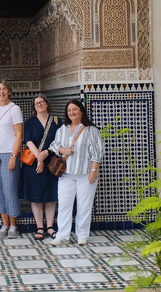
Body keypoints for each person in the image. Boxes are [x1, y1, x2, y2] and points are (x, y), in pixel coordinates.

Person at [48, 99, 103, 246]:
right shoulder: (63, 129)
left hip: (85, 174)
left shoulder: (91, 130)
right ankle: (62, 236)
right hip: (66, 174)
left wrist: (93, 171)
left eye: (75, 109)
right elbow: (54, 145)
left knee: (84, 206)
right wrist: (63, 150)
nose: (72, 112)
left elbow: (97, 152)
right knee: (64, 205)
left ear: (81, 111)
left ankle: (82, 235)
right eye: (69, 110)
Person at [20, 94, 61, 240]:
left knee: (51, 196)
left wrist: (46, 153)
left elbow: (59, 140)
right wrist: (39, 157)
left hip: (51, 163)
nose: (39, 104)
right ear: (34, 106)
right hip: (33, 164)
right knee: (36, 197)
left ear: (47, 104)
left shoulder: (56, 121)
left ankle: (50, 226)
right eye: (36, 103)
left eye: (41, 102)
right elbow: (28, 141)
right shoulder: (30, 122)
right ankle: (40, 226)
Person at [0, 81, 24, 239]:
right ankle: (4, 224)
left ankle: (13, 225)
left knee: (9, 188)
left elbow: (19, 135)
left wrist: (14, 156)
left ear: (9, 92)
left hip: (9, 152)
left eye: (4, 89)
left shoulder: (15, 109)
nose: (1, 92)